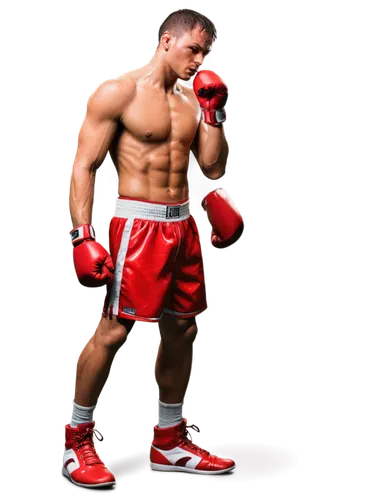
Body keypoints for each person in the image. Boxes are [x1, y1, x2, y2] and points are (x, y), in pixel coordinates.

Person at [61, 7, 245, 488]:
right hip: (136, 227)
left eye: (207, 52)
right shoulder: (119, 91)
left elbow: (210, 169)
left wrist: (213, 113)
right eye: (194, 49)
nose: (201, 60)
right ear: (166, 41)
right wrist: (82, 234)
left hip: (183, 226)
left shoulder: (193, 98)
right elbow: (83, 167)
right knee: (115, 333)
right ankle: (76, 439)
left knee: (183, 330)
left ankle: (168, 442)